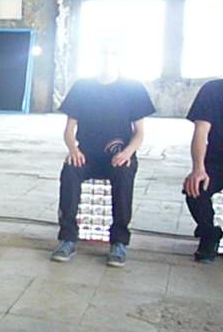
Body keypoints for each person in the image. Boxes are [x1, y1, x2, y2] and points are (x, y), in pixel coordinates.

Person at [52, 41, 156, 267]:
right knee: (70, 171)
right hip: (86, 154)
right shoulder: (82, 87)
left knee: (124, 175)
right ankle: (68, 238)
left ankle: (119, 241)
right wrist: (73, 149)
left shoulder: (133, 88)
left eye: (113, 53)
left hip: (118, 155)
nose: (107, 58)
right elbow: (69, 130)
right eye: (103, 53)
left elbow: (139, 133)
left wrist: (128, 152)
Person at [183, 43, 223, 264]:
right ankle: (209, 235)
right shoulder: (213, 90)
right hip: (216, 163)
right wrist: (198, 168)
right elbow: (201, 132)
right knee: (194, 188)